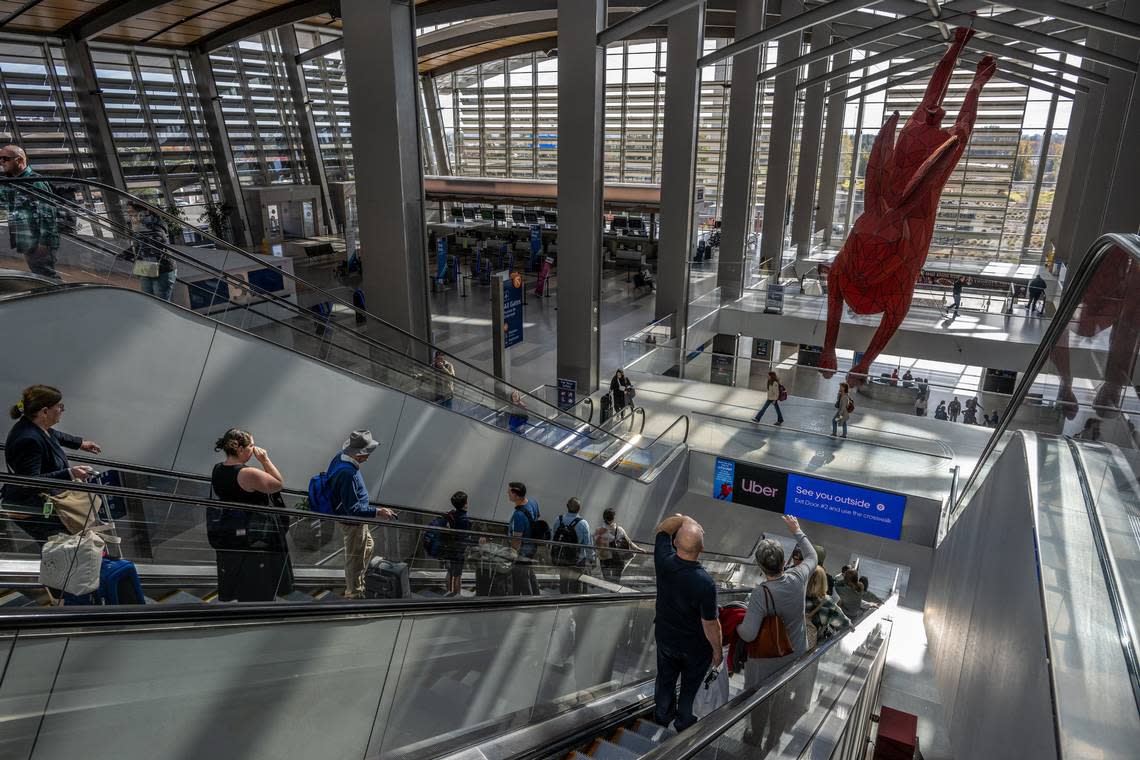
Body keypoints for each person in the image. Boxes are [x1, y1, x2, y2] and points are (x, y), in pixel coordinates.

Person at [738, 516, 817, 750]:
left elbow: (749, 634)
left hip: (766, 660)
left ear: (761, 567)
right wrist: (797, 531)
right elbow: (812, 556)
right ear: (783, 562)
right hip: (794, 655)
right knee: (782, 697)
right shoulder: (798, 577)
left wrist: (738, 624)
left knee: (761, 700)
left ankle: (756, 736)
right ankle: (774, 738)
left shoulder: (761, 593)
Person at [2, 385, 102, 546]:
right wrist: (70, 473)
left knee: (65, 547)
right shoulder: (28, 440)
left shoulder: (32, 424)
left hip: (44, 499)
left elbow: (55, 435)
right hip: (33, 508)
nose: (62, 410)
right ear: (45, 412)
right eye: (59, 406)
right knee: (59, 549)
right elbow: (31, 481)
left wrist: (81, 443)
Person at [652, 513, 721, 732]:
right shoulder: (705, 583)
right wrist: (717, 652)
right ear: (701, 549)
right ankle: (683, 721)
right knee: (690, 685)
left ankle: (662, 715)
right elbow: (710, 624)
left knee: (665, 679)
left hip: (665, 638)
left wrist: (686, 520)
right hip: (695, 648)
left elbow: (662, 528)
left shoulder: (663, 561)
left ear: (674, 543)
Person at [208, 428, 293, 602]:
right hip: (253, 538)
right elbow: (278, 484)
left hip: (230, 534)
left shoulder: (217, 469)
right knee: (256, 582)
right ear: (239, 449)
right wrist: (265, 459)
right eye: (251, 446)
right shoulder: (247, 473)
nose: (254, 450)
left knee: (240, 577)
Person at [322, 430, 397, 598]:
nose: (368, 457)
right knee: (355, 557)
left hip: (355, 520)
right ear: (357, 454)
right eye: (366, 453)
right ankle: (354, 593)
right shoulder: (347, 473)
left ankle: (357, 580)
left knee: (367, 546)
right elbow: (353, 509)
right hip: (353, 522)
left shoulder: (340, 457)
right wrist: (379, 511)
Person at [0, 145, 61, 279]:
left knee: (47, 277)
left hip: (38, 243)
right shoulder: (15, 183)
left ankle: (65, 298)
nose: (1, 162)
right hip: (28, 240)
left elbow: (48, 214)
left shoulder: (35, 182)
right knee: (41, 275)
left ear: (19, 160)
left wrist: (43, 244)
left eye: (5, 159)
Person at [127, 201, 177, 301]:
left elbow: (158, 240)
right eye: (129, 212)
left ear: (144, 212)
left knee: (160, 303)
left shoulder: (158, 223)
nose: (130, 215)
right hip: (145, 266)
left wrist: (139, 229)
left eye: (132, 211)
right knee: (148, 300)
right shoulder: (135, 224)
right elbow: (138, 246)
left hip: (163, 267)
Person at [551, 497, 593, 594]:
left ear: (567, 506)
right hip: (578, 559)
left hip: (562, 557)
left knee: (563, 581)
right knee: (575, 582)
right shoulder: (583, 523)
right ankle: (572, 602)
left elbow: (553, 538)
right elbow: (588, 544)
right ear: (579, 509)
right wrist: (591, 558)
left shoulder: (559, 519)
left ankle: (562, 600)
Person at [507, 481, 541, 596]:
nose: (507, 494)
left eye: (509, 492)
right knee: (529, 572)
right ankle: (536, 596)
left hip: (523, 550)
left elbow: (517, 539)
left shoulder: (519, 515)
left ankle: (528, 600)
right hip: (533, 545)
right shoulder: (533, 502)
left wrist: (511, 553)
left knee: (521, 577)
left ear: (516, 496)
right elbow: (538, 516)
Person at [805, 566, 851, 649]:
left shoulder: (795, 593)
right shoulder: (825, 602)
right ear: (823, 582)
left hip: (786, 643)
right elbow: (844, 623)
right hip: (806, 649)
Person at [595, 507, 641, 583]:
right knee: (615, 582)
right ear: (613, 518)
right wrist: (639, 549)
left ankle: (609, 593)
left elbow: (595, 545)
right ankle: (613, 593)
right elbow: (629, 542)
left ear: (604, 517)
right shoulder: (619, 529)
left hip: (605, 560)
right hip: (618, 559)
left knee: (607, 582)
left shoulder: (598, 531)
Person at [440, 491, 473, 596]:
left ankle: (448, 592)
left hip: (448, 547)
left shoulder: (450, 514)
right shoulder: (465, 520)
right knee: (457, 575)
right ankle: (456, 596)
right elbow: (465, 537)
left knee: (449, 572)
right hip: (458, 551)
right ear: (465, 504)